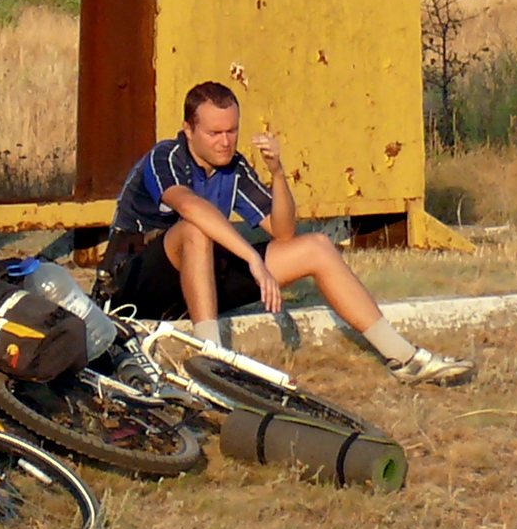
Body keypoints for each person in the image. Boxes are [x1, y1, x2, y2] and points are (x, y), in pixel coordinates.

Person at [107, 79, 475, 386]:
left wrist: (277, 172)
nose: (225, 141)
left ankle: (405, 359)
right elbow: (190, 208)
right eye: (214, 132)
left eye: (232, 131)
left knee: (315, 246)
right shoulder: (167, 156)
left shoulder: (235, 167)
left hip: (200, 276)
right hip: (135, 281)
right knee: (196, 230)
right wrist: (252, 257)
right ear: (189, 130)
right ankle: (213, 362)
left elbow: (283, 231)